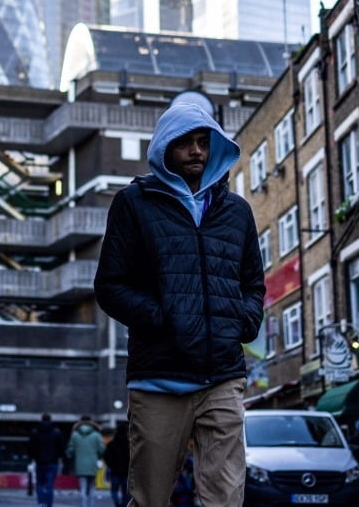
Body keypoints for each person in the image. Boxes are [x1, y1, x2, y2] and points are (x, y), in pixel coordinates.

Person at [95, 100, 265, 507]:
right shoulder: (134, 203)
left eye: (203, 142)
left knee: (225, 497)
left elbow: (252, 283)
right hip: (159, 380)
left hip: (223, 377)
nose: (196, 151)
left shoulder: (237, 211)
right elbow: (110, 286)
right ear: (164, 148)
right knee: (151, 498)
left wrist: (242, 322)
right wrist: (164, 318)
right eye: (185, 142)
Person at [67, 415, 107, 507]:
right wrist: (97, 456)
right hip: (93, 464)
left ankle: (84, 505)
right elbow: (101, 449)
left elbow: (71, 450)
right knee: (92, 487)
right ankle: (91, 505)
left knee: (83, 488)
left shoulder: (75, 435)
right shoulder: (97, 435)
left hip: (79, 464)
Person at [28, 413, 66, 507]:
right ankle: (49, 504)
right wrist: (60, 457)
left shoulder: (36, 432)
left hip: (40, 462)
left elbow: (31, 447)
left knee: (39, 484)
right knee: (50, 485)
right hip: (52, 462)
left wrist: (33, 457)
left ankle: (41, 503)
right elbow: (61, 448)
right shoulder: (56, 432)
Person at [103, 422, 131, 507]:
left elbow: (106, 456)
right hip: (126, 471)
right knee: (125, 492)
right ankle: (124, 504)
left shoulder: (112, 444)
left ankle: (117, 503)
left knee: (114, 490)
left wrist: (111, 465)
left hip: (115, 471)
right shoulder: (129, 444)